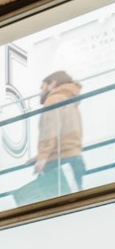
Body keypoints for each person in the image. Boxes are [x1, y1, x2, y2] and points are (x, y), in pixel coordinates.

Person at [34, 70, 86, 199]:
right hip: (75, 159)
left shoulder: (53, 99)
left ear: (53, 84)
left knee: (49, 204)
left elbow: (50, 130)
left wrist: (43, 157)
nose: (40, 91)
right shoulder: (70, 101)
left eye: (42, 87)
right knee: (75, 203)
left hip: (58, 161)